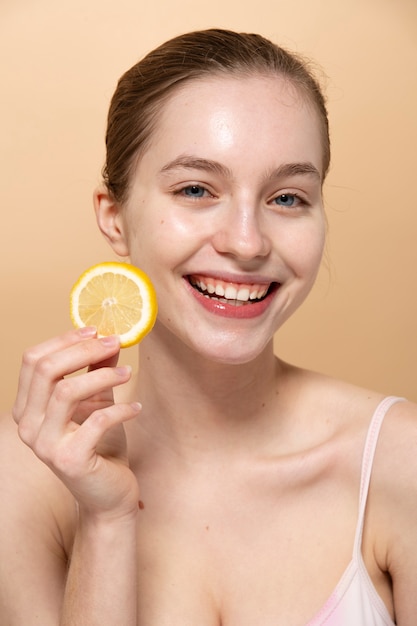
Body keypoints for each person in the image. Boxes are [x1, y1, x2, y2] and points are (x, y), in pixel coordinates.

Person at [0, 28, 416, 626]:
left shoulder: (402, 462)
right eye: (196, 189)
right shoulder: (26, 479)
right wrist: (106, 520)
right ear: (114, 218)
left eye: (288, 198)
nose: (246, 243)